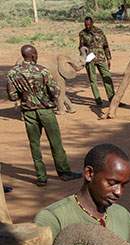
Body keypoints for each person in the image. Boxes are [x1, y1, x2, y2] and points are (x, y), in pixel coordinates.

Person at [6, 45, 82, 187]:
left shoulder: (13, 73)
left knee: (35, 145)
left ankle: (41, 177)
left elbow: (12, 96)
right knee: (56, 142)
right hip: (46, 111)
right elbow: (55, 91)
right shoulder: (42, 71)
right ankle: (64, 172)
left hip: (28, 112)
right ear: (34, 55)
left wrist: (25, 96)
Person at [79, 17, 115, 107]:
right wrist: (83, 55)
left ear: (92, 23)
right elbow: (81, 47)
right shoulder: (82, 33)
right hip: (90, 59)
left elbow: (106, 45)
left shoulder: (99, 31)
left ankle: (113, 99)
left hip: (101, 58)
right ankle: (98, 101)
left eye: (88, 24)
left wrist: (109, 58)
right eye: (85, 25)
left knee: (107, 77)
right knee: (93, 80)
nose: (87, 26)